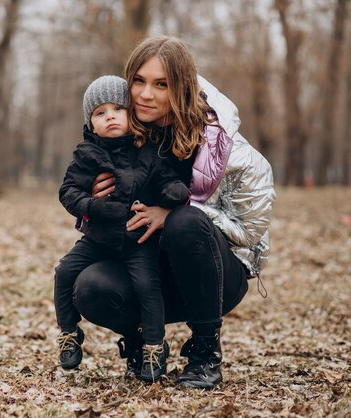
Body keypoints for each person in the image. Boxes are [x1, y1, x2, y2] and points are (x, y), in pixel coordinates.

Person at [70, 36, 276, 389]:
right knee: (89, 286)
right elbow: (93, 212)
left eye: (161, 84)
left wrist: (173, 210)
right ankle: (144, 343)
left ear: (180, 87)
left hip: (216, 278)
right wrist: (95, 202)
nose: (145, 95)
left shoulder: (227, 148)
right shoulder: (119, 135)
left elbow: (249, 233)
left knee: (185, 222)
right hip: (146, 270)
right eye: (139, 81)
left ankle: (205, 354)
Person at [55, 75, 190, 382]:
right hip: (98, 238)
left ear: (131, 113)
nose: (110, 116)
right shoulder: (86, 155)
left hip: (137, 239)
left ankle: (154, 347)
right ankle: (68, 333)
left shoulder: (150, 151)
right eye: (100, 113)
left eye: (118, 108)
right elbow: (68, 191)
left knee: (146, 285)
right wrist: (91, 206)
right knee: (64, 272)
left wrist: (173, 192)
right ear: (91, 123)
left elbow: (165, 178)